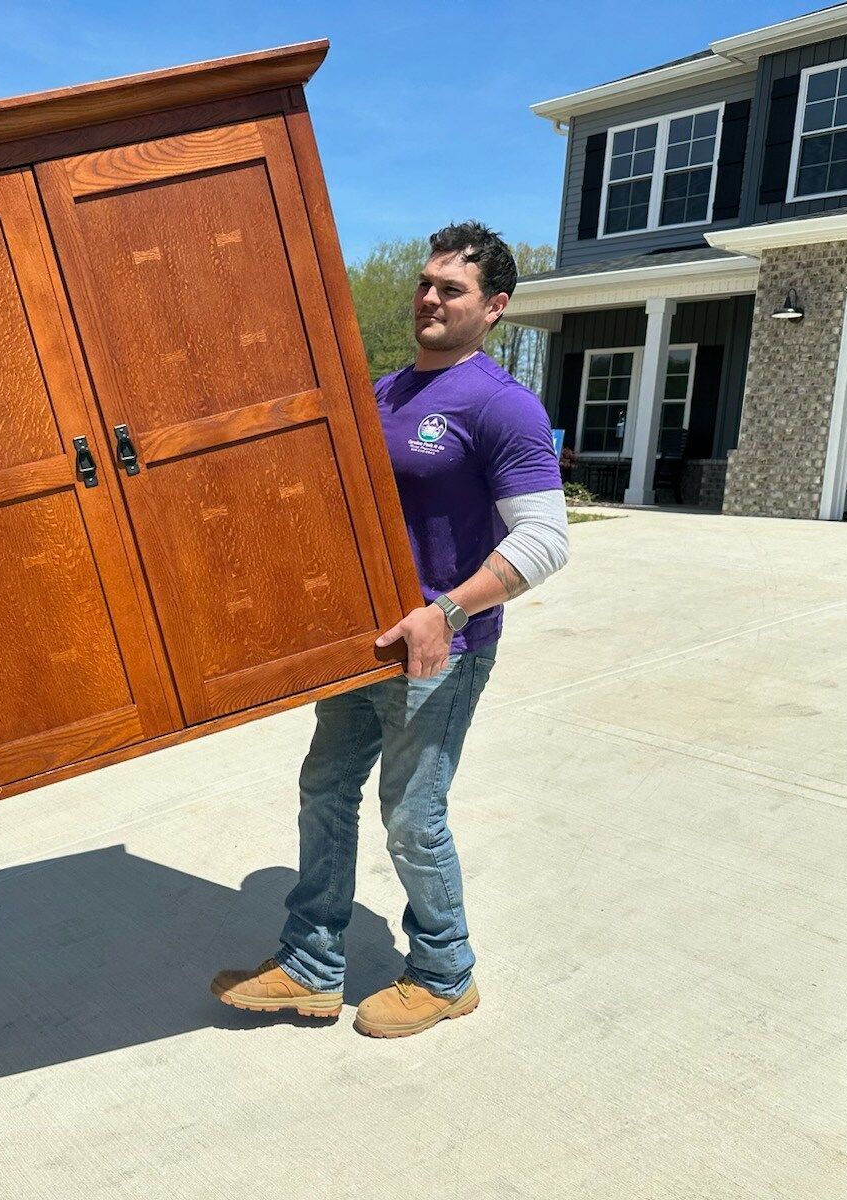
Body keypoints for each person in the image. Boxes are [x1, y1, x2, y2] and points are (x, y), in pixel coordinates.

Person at [213, 222, 570, 1039]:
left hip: (442, 649)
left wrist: (448, 608)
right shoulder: (382, 393)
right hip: (362, 645)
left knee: (412, 814)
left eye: (452, 289)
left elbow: (546, 540)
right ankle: (310, 965)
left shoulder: (502, 406)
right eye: (425, 282)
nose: (430, 298)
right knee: (325, 788)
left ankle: (446, 972)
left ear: (496, 308)